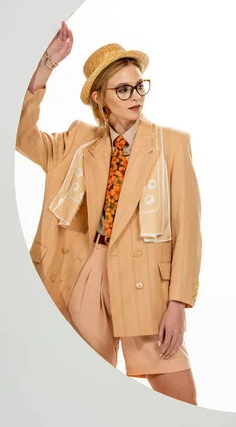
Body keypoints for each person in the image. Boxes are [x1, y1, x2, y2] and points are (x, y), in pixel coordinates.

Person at [16, 21, 202, 405]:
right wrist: (46, 65)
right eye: (123, 89)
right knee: (90, 392)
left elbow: (189, 232)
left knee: (179, 400)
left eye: (139, 86)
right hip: (88, 272)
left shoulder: (172, 145)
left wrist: (178, 303)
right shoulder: (79, 142)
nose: (136, 96)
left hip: (146, 279)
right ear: (100, 98)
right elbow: (20, 136)